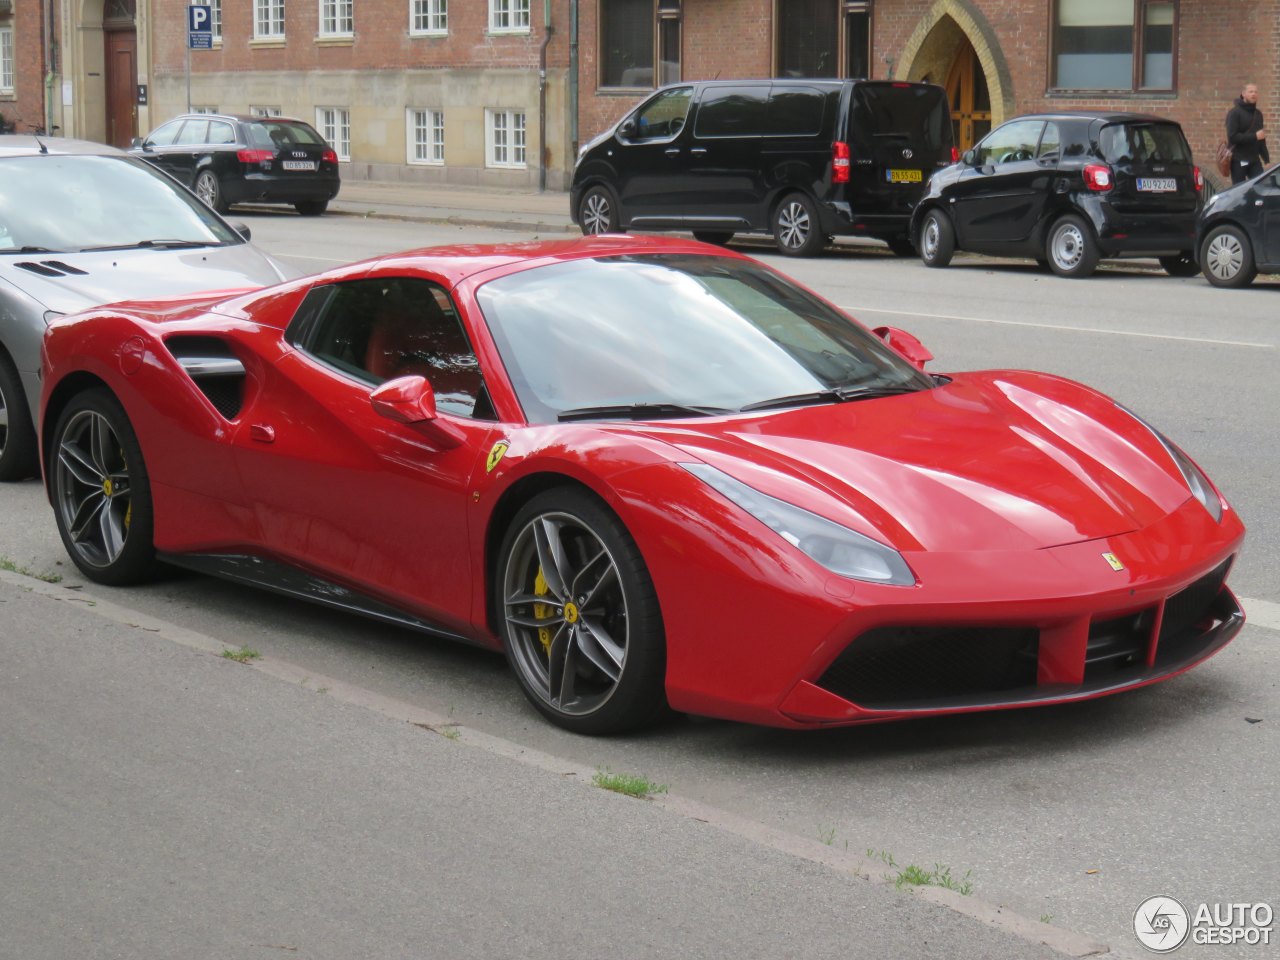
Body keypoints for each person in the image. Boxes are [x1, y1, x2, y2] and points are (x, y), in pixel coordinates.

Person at [1226, 83, 1270, 184]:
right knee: (1239, 191)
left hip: (1254, 160)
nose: (1253, 94)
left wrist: (1266, 159)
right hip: (1238, 159)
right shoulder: (1235, 113)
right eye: (1250, 92)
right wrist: (1254, 136)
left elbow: (1261, 139)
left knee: (1261, 186)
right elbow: (1232, 137)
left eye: (1255, 92)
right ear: (1243, 94)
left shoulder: (1258, 114)